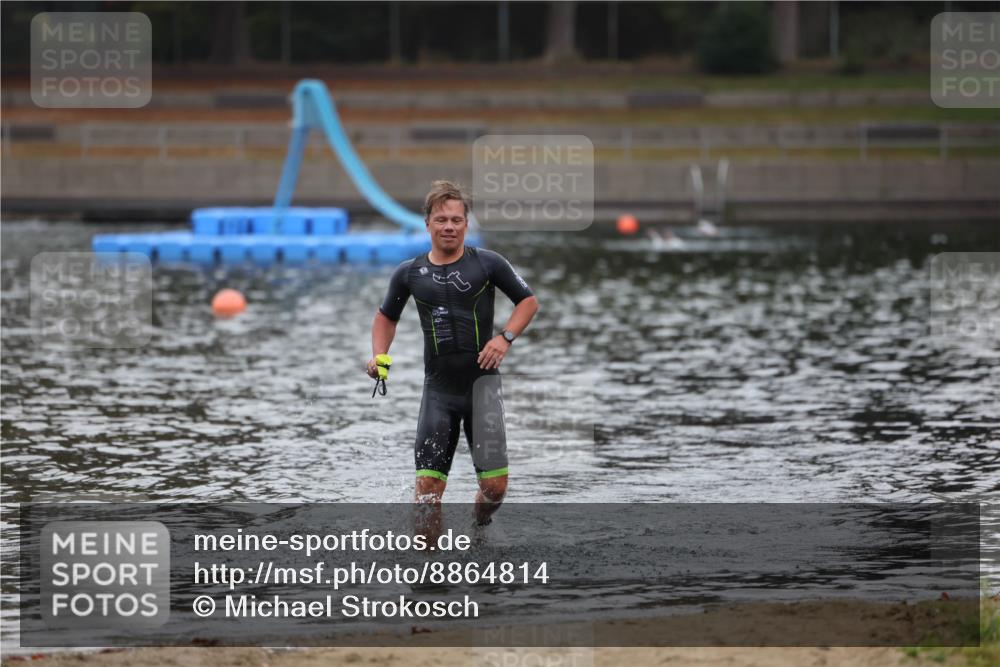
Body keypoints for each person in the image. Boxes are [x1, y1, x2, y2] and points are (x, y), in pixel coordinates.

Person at [367, 181, 539, 526]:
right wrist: (379, 357)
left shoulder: (488, 264)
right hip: (439, 393)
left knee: (495, 489)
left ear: (466, 224)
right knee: (428, 490)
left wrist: (504, 338)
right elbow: (386, 317)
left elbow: (528, 301)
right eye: (442, 219)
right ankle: (428, 574)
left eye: (457, 220)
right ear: (428, 223)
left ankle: (479, 527)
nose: (450, 227)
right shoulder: (409, 274)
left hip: (483, 391)